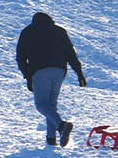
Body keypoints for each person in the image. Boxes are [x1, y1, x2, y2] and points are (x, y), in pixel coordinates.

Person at [15, 11, 87, 147]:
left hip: (39, 71)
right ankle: (51, 139)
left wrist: (28, 76)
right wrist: (79, 74)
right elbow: (71, 54)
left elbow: (20, 57)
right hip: (59, 71)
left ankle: (61, 126)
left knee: (42, 105)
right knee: (51, 105)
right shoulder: (59, 31)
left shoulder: (28, 31)